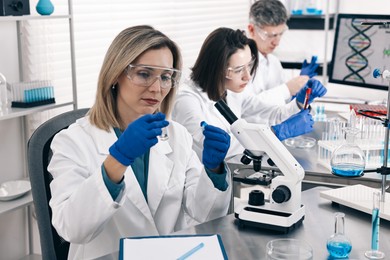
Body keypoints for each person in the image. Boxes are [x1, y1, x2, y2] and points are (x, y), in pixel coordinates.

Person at [48, 25, 232, 259]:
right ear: (115, 74)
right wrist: (118, 160)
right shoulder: (72, 140)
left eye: (165, 77)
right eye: (144, 73)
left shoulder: (177, 135)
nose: (156, 88)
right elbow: (71, 228)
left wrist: (214, 170)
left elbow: (205, 215)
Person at [172, 27, 326, 160]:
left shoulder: (230, 91)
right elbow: (215, 148)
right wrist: (276, 133)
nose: (247, 76)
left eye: (249, 66)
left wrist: (300, 101)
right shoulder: (187, 100)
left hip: (225, 178)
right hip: (197, 185)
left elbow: (272, 114)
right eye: (239, 70)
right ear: (216, 68)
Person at [247, 0, 319, 105]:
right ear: (252, 30)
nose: (277, 42)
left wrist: (299, 91)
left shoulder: (273, 62)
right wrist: (287, 89)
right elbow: (248, 107)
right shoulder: (241, 64)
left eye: (280, 34)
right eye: (271, 35)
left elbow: (284, 103)